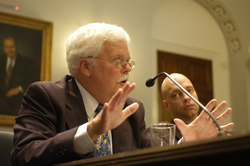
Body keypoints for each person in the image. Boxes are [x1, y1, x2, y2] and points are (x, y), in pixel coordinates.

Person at [11, 23, 234, 166]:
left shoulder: (132, 109)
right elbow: (24, 156)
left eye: (129, 62)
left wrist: (185, 144)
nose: (128, 68)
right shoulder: (46, 95)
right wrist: (91, 131)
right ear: (85, 66)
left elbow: (151, 157)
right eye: (119, 61)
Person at [0, 37, 39, 115]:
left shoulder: (27, 62)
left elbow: (34, 80)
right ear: (4, 48)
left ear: (17, 47)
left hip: (18, 97)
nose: (10, 50)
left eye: (12, 47)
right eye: (7, 47)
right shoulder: (1, 60)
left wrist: (19, 89)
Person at [161, 73, 200, 141]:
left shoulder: (215, 130)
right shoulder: (161, 136)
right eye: (175, 95)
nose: (186, 98)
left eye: (189, 90)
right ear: (166, 105)